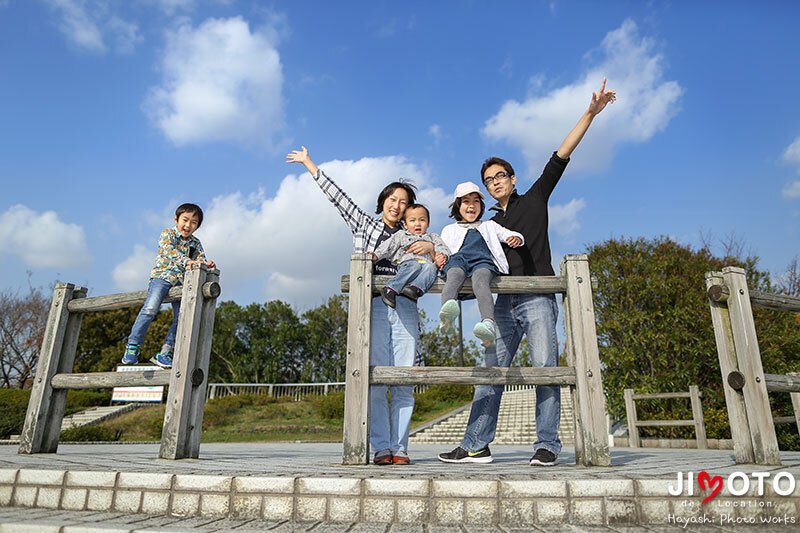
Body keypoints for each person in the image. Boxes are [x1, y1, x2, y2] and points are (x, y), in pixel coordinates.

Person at [439, 78, 617, 466]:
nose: (495, 183)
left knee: (544, 370)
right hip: (503, 300)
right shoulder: (485, 226)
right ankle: (475, 444)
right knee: (491, 370)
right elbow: (462, 259)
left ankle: (547, 445)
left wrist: (590, 112)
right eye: (488, 181)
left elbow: (562, 155)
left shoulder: (535, 198)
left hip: (538, 296)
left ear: (513, 179)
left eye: (500, 176)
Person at [287, 145, 434, 465]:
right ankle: (382, 447)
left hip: (406, 309)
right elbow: (337, 196)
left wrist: (432, 248)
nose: (397, 206)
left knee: (405, 379)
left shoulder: (415, 234)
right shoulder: (365, 225)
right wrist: (309, 163)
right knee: (379, 380)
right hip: (375, 309)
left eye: (404, 203)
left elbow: (435, 263)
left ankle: (401, 448)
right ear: (382, 201)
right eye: (392, 200)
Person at [121, 203, 216, 369]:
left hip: (183, 282)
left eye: (194, 222)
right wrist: (189, 262)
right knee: (150, 308)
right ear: (176, 219)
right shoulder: (168, 234)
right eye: (185, 220)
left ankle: (165, 351)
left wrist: (206, 264)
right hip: (162, 277)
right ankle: (133, 346)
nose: (188, 225)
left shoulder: (196, 243)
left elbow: (200, 259)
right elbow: (170, 252)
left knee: (183, 316)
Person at [437, 182, 524, 347]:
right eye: (466, 201)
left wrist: (516, 238)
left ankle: (488, 323)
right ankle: (447, 317)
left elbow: (508, 234)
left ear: (481, 206)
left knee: (481, 281)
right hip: (458, 260)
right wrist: (439, 257)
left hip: (482, 261)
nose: (471, 205)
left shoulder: (489, 226)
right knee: (454, 275)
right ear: (457, 206)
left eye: (476, 201)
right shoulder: (449, 229)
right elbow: (442, 248)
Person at [371, 203, 450, 308]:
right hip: (409, 263)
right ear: (405, 225)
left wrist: (442, 255)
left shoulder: (433, 237)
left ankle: (415, 289)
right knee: (415, 265)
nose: (417, 224)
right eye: (412, 220)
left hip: (426, 266)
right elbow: (388, 246)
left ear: (428, 223)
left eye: (422, 220)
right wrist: (376, 255)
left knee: (432, 268)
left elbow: (442, 247)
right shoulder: (402, 235)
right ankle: (391, 289)